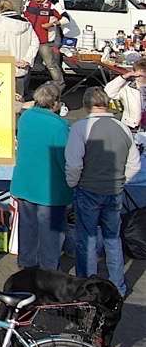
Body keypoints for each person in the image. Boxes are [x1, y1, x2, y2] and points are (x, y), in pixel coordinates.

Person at [65, 86, 140, 294]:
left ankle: (87, 288)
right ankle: (118, 286)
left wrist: (73, 183)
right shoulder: (123, 127)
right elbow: (134, 164)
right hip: (114, 190)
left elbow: (73, 164)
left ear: (86, 105)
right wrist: (120, 181)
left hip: (88, 188)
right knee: (113, 239)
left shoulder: (81, 127)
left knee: (87, 240)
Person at [12, 83, 72, 271]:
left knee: (27, 227)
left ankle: (26, 265)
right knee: (51, 233)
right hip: (50, 188)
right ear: (55, 103)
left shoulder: (25, 118)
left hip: (25, 183)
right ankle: (49, 270)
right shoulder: (60, 126)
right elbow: (65, 160)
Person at [0, 0, 41, 99]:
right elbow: (35, 43)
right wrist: (27, 59)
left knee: (4, 100)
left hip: (3, 69)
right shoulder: (27, 24)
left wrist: (11, 60)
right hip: (22, 68)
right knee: (20, 99)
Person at [23, 0, 66, 86]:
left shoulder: (53, 4)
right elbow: (23, 15)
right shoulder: (29, 2)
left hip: (45, 41)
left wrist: (52, 24)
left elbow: (66, 19)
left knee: (51, 65)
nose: (37, 0)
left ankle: (60, 85)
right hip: (30, 40)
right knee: (26, 64)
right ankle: (24, 89)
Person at [101, 58, 146, 134]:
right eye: (138, 74)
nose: (140, 76)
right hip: (131, 126)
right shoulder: (127, 88)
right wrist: (125, 76)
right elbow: (108, 91)